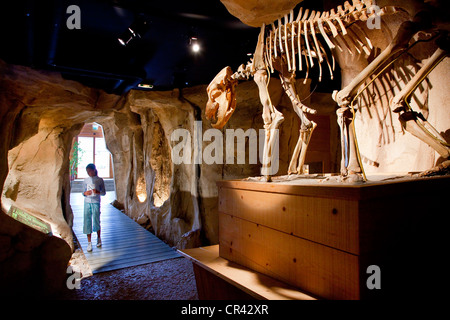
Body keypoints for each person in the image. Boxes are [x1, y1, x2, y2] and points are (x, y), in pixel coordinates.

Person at [82, 163, 106, 252]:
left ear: (94, 170)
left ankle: (99, 238)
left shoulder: (100, 180)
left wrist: (97, 192)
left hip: (96, 202)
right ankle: (89, 242)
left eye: (90, 171)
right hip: (87, 202)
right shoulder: (85, 180)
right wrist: (85, 193)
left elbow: (104, 192)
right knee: (87, 221)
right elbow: (82, 192)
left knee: (96, 220)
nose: (89, 172)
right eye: (87, 171)